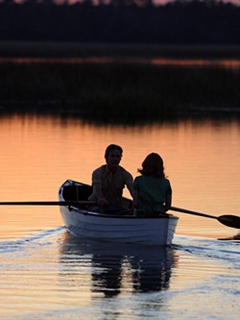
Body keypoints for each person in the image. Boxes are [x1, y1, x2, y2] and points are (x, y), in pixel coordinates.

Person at [88, 144, 134, 214]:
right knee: (96, 211)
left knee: (132, 213)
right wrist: (101, 198)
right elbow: (97, 188)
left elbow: (132, 189)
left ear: (120, 159)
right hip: (96, 204)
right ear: (106, 158)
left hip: (115, 206)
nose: (115, 159)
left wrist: (137, 200)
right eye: (112, 156)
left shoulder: (126, 174)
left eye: (118, 157)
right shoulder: (98, 172)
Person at [133, 153, 172, 217]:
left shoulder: (138, 180)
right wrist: (161, 209)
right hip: (159, 213)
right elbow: (168, 206)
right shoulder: (166, 183)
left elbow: (135, 203)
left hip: (142, 212)